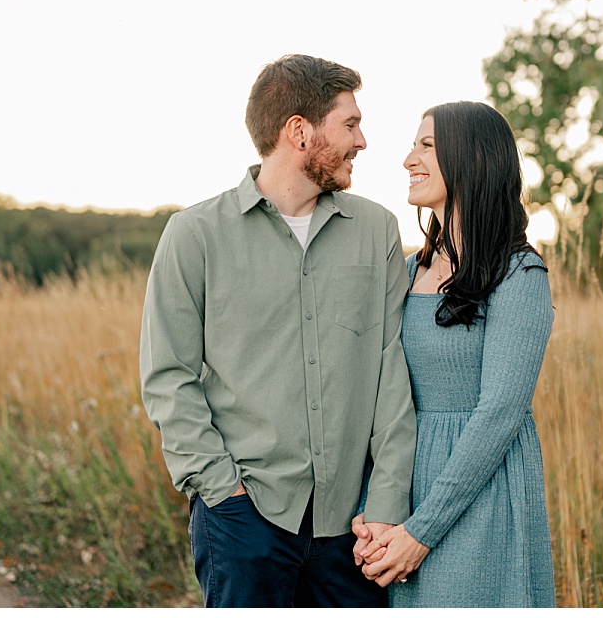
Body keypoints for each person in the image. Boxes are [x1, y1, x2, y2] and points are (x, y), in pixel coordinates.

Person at [139, 54, 417, 608]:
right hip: (245, 519)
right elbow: (168, 376)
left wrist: (386, 501)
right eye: (350, 124)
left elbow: (391, 371)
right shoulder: (194, 235)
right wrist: (223, 494)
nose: (362, 141)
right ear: (299, 132)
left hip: (355, 526)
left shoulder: (377, 231)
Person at [351, 101, 556, 607]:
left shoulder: (519, 275)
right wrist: (372, 506)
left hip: (477, 496)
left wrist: (422, 532)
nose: (407, 160)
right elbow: (380, 393)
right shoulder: (405, 269)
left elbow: (500, 414)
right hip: (403, 490)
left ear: (472, 159)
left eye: (426, 146)